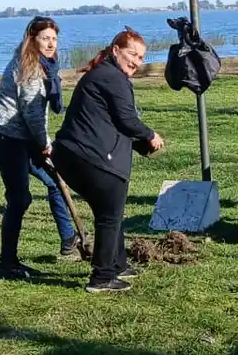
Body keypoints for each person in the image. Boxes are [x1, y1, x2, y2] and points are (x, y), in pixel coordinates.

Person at [51, 28, 165, 294]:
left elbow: (114, 121)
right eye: (132, 54)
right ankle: (102, 277)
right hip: (90, 157)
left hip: (73, 154)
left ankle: (118, 264)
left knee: (109, 211)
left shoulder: (105, 74)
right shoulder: (112, 77)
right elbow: (127, 119)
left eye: (141, 57)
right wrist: (150, 135)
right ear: (115, 50)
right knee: (109, 215)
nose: (136, 62)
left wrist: (140, 145)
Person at [0, 15, 78, 280]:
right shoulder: (30, 69)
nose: (51, 44)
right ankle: (8, 263)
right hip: (7, 138)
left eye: (54, 39)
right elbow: (32, 114)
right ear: (32, 39)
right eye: (45, 38)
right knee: (19, 199)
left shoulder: (46, 65)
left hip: (24, 138)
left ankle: (70, 241)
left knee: (57, 182)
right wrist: (45, 144)